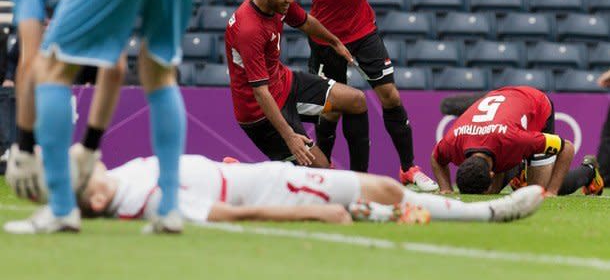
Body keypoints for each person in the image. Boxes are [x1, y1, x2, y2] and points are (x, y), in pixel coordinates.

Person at [234, 0, 478, 191]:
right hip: (326, 39)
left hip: (364, 33)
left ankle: (408, 168)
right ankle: (327, 177)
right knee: (331, 109)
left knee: (390, 96)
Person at [3, 0, 203, 235]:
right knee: (159, 73)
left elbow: (31, 64)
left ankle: (62, 209)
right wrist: (90, 146)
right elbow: (113, 67)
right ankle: (169, 210)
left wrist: (22, 147)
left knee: (55, 69)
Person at [72, 152, 545, 225]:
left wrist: (222, 167)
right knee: (384, 187)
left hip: (256, 174)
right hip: (276, 191)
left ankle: (371, 217)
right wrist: (308, 214)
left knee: (373, 202)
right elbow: (229, 216)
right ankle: (492, 214)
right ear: (95, 199)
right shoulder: (144, 201)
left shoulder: (122, 174)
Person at [226, 0, 368, 168]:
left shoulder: (277, 2)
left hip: (284, 83)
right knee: (326, 175)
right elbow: (260, 93)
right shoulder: (249, 30)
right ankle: (239, 172)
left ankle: (362, 184)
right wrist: (290, 137)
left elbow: (305, 21)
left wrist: (334, 41)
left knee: (356, 100)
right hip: (260, 113)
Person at [431, 86, 604, 196]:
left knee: (537, 191)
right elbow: (436, 158)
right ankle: (519, 171)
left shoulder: (516, 139)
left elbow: (567, 148)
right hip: (504, 110)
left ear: (492, 174)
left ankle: (589, 170)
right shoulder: (453, 141)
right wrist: (446, 189)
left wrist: (551, 192)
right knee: (493, 192)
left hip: (535, 104)